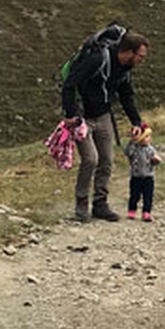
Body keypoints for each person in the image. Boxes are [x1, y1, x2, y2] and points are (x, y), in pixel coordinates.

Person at [60, 29, 149, 222]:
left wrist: (136, 122)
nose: (142, 60)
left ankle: (100, 204)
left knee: (107, 160)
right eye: (140, 56)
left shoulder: (125, 69)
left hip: (103, 116)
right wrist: (69, 113)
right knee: (90, 159)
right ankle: (81, 206)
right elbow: (69, 83)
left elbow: (126, 95)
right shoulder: (97, 59)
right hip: (82, 118)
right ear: (129, 52)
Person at [125, 126, 161, 220]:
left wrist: (156, 161)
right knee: (134, 195)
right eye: (146, 136)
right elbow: (128, 153)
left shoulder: (150, 149)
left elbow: (154, 160)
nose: (149, 139)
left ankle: (146, 212)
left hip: (148, 176)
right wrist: (132, 140)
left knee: (148, 196)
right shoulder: (134, 148)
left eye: (149, 136)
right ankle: (132, 210)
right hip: (136, 176)